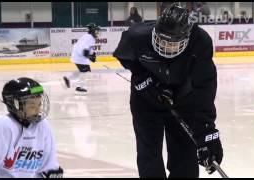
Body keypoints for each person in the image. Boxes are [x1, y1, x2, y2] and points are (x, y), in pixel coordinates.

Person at [113, 3, 223, 178]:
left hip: (183, 102)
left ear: (186, 38)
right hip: (146, 102)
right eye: (162, 41)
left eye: (173, 43)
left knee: (185, 156)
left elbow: (205, 89)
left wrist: (207, 131)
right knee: (149, 154)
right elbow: (124, 57)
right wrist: (144, 79)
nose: (166, 47)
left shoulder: (200, 42)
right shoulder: (137, 36)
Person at [0, 77, 63, 178]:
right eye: (32, 106)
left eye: (39, 104)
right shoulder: (3, 126)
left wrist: (53, 173)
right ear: (16, 105)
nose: (38, 110)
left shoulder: (43, 126)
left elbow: (50, 168)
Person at [62, 23, 100, 95]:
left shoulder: (90, 37)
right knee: (85, 71)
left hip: (79, 56)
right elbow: (82, 47)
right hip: (79, 56)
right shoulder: (89, 37)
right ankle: (79, 88)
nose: (97, 32)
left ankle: (68, 77)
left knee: (82, 70)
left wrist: (92, 55)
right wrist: (87, 54)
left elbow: (89, 48)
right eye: (96, 30)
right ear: (92, 31)